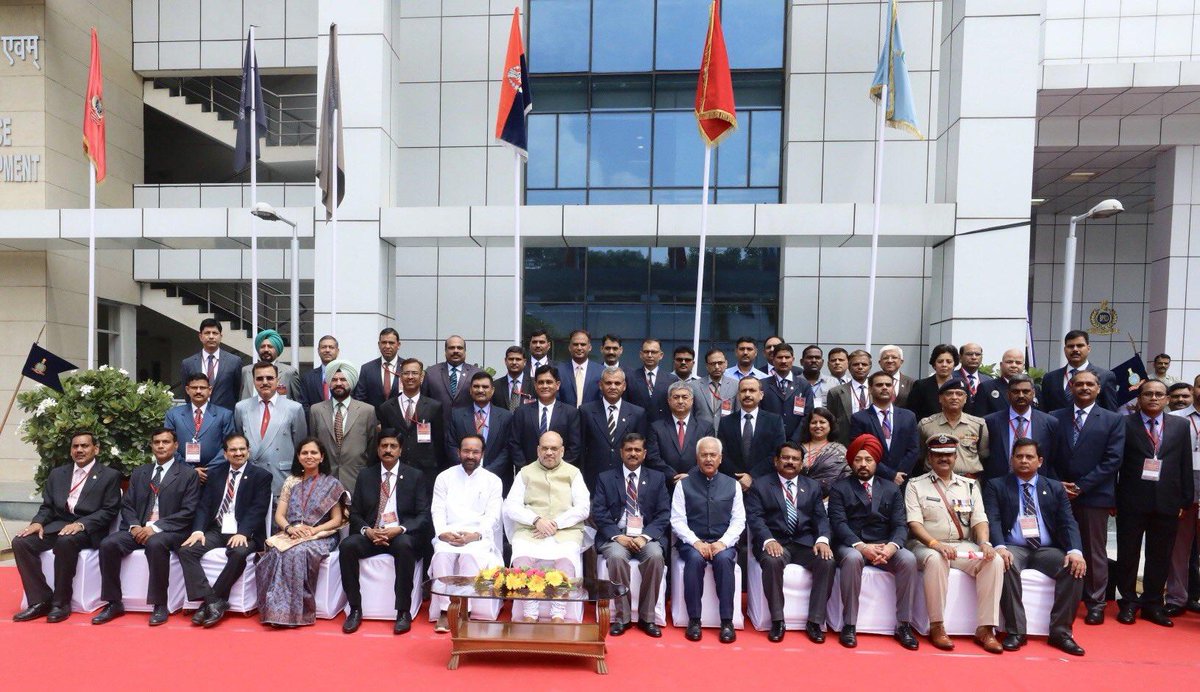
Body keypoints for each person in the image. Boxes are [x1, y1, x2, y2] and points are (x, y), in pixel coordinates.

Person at [983, 438, 1087, 656]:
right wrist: (1000, 546)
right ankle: (1016, 631)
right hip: (1014, 545)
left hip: (1046, 549)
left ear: (1039, 461)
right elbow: (992, 519)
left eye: (1029, 457)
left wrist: (1075, 551)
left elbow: (1068, 522)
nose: (1023, 461)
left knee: (1074, 567)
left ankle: (1060, 633)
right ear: (1011, 460)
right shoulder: (997, 485)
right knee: (1004, 562)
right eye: (1019, 456)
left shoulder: (1054, 488)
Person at [905, 434, 1004, 653]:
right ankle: (937, 625)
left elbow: (980, 519)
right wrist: (934, 543)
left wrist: (985, 543)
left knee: (993, 560)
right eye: (938, 455)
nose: (944, 459)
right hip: (926, 545)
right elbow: (914, 523)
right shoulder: (915, 485)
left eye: (948, 454)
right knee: (936, 559)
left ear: (955, 456)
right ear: (929, 457)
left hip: (961, 544)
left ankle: (986, 628)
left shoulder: (969, 486)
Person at [13, 431, 122, 623]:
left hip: (88, 530)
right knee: (21, 542)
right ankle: (40, 600)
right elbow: (47, 507)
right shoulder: (58, 474)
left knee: (66, 541)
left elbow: (109, 511)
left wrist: (81, 524)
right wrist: (37, 522)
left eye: (85, 446)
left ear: (96, 449)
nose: (79, 450)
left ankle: (61, 603)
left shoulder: (109, 476)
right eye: (75, 446)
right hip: (58, 526)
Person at [93, 429, 200, 626]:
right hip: (138, 529)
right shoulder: (140, 472)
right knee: (108, 544)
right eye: (157, 442)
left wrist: (155, 528)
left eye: (166, 442)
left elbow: (188, 511)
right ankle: (113, 602)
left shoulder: (187, 474)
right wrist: (134, 526)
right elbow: (127, 504)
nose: (161, 446)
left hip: (170, 531)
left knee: (156, 544)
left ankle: (159, 604)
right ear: (151, 446)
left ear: (176, 446)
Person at [826, 434, 920, 650]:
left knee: (908, 559)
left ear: (876, 461)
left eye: (868, 460)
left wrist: (891, 547)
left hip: (884, 544)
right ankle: (849, 624)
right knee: (851, 559)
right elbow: (838, 524)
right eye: (858, 460)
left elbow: (899, 524)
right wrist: (861, 546)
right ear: (851, 462)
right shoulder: (839, 488)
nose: (863, 465)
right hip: (852, 544)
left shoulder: (891, 488)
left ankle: (903, 624)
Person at [1114, 379, 1194, 627]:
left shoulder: (1180, 426)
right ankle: (1127, 602)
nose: (1154, 398)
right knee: (1128, 554)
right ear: (1139, 398)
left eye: (1159, 394)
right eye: (1148, 394)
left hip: (1168, 502)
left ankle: (1152, 604)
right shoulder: (1124, 424)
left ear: (1167, 399)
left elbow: (1184, 464)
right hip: (1131, 501)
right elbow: (1115, 464)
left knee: (1160, 556)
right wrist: (1113, 499)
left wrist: (1186, 499)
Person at [1049, 368, 1125, 624]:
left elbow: (1112, 460)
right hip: (1059, 494)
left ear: (1098, 388)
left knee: (1094, 551)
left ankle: (1095, 602)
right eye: (1078, 384)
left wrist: (1080, 486)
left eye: (1089, 384)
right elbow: (1046, 456)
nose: (1084, 388)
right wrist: (1059, 485)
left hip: (1095, 495)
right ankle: (1066, 598)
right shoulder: (1054, 418)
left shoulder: (1113, 419)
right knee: (1061, 548)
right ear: (1070, 387)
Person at [178, 433, 272, 628]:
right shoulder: (215, 474)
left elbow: (258, 508)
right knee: (187, 550)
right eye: (233, 450)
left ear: (248, 451)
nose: (238, 453)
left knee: (238, 553)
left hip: (245, 532)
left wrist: (244, 532)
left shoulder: (261, 476)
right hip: (217, 529)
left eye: (242, 449)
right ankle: (214, 601)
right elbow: (204, 506)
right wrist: (198, 530)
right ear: (225, 453)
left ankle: (209, 604)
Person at [745, 441, 836, 644]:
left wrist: (822, 540)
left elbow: (821, 518)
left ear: (802, 464)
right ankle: (778, 620)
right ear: (776, 461)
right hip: (776, 542)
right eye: (785, 458)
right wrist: (768, 540)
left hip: (804, 544)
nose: (790, 462)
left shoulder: (811, 486)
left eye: (795, 459)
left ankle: (815, 621)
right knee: (772, 561)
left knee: (827, 561)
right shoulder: (760, 485)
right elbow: (755, 518)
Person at [341, 431, 430, 635]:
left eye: (393, 446)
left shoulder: (415, 475)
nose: (388, 450)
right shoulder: (366, 475)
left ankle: (402, 611)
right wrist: (367, 530)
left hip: (399, 534)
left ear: (400, 450)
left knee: (406, 546)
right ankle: (354, 609)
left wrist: (399, 529)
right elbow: (355, 513)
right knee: (347, 546)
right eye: (384, 446)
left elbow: (423, 515)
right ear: (378, 449)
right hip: (373, 533)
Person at [257, 438, 346, 627]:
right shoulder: (291, 481)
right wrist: (290, 529)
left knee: (297, 552)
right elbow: (280, 515)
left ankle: (295, 613)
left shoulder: (331, 483)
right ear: (298, 457)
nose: (309, 456)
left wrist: (313, 530)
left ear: (322, 457)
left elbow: (336, 520)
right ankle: (274, 610)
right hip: (292, 533)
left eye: (314, 453)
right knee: (273, 552)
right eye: (304, 453)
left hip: (322, 535)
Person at [503, 431, 590, 623]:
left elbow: (583, 508)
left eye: (554, 448)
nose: (549, 452)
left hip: (565, 532)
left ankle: (558, 613)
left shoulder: (573, 473)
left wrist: (556, 523)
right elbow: (511, 506)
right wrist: (536, 520)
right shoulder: (525, 472)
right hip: (530, 531)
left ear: (562, 451)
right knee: (522, 559)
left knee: (566, 560)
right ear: (538, 450)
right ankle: (529, 611)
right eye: (545, 448)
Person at [591, 433, 669, 638]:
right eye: (628, 450)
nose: (633, 454)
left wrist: (645, 537)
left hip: (646, 537)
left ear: (644, 454)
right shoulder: (605, 478)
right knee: (616, 557)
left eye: (637, 450)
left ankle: (647, 618)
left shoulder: (657, 478)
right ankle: (622, 617)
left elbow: (663, 514)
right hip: (616, 536)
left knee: (655, 556)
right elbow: (598, 512)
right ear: (621, 452)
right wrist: (618, 536)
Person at [671, 436, 746, 643]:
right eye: (704, 455)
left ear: (720, 459)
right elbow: (677, 520)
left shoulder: (733, 485)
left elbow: (739, 520)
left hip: (724, 542)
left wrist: (724, 542)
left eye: (713, 455)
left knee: (723, 560)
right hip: (692, 543)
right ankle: (694, 619)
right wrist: (695, 542)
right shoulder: (683, 485)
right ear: (697, 458)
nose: (708, 459)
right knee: (694, 560)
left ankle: (727, 621)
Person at [428, 434, 504, 632]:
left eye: (475, 452)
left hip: (478, 537)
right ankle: (445, 611)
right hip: (448, 534)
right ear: (458, 452)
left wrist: (475, 535)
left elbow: (493, 516)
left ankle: (465, 609)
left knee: (470, 556)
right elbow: (437, 510)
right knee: (442, 555)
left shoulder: (493, 481)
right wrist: (443, 533)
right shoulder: (444, 477)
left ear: (482, 454)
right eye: (466, 451)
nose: (470, 455)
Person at [235, 361, 308, 495]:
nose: (265, 382)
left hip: (282, 479)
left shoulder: (294, 408)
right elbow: (240, 442)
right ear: (253, 381)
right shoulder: (241, 408)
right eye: (259, 378)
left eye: (269, 378)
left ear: (277, 380)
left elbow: (300, 446)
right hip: (251, 479)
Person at [377, 358, 447, 497]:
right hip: (397, 471)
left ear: (421, 377)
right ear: (400, 376)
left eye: (414, 373)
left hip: (426, 472)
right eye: (406, 373)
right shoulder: (386, 408)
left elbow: (439, 442)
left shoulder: (434, 406)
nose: (410, 377)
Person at [308, 360, 378, 493]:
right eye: (334, 379)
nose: (338, 383)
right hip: (324, 480)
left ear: (350, 382)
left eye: (343, 379)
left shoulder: (367, 411)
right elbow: (313, 444)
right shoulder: (316, 410)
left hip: (356, 479)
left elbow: (372, 447)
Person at [579, 366, 648, 489]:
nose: (613, 387)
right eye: (608, 383)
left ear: (624, 386)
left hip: (626, 479)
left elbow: (641, 450)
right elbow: (582, 447)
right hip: (593, 479)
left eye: (617, 383)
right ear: (601, 385)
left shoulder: (637, 413)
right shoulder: (586, 411)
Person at [1165, 375, 1200, 615]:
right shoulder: (1176, 419)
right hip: (1184, 484)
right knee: (1179, 545)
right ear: (1193, 388)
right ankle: (1177, 597)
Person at [982, 374, 1059, 480]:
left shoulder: (1049, 422)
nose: (1021, 395)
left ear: (1033, 393)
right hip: (999, 486)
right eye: (1016, 392)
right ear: (1008, 394)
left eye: (1026, 391)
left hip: (1037, 485)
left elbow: (1053, 458)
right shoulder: (990, 422)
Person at [849, 371, 920, 485]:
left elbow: (914, 449)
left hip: (902, 479)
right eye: (879, 385)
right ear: (870, 389)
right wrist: (890, 475)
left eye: (888, 385)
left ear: (893, 388)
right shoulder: (859, 418)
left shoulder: (908, 416)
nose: (884, 387)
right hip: (872, 478)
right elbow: (859, 450)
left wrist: (898, 474)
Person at [447, 371, 515, 491]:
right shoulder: (456, 415)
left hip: (496, 477)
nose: (480, 390)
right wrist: (467, 468)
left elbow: (508, 449)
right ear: (470, 390)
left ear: (492, 390)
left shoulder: (506, 416)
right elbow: (451, 445)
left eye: (485, 387)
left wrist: (486, 473)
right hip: (463, 477)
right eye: (476, 386)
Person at [717, 376, 787, 490]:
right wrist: (740, 478)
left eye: (752, 390)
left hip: (765, 484)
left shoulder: (774, 421)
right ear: (738, 395)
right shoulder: (726, 422)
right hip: (733, 484)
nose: (747, 394)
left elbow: (777, 453)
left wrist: (752, 476)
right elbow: (722, 454)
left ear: (761, 395)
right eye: (743, 390)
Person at [507, 364, 582, 469]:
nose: (545, 386)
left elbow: (575, 446)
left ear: (558, 385)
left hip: (560, 474)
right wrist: (526, 469)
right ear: (535, 385)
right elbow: (514, 443)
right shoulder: (521, 412)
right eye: (541, 382)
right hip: (529, 474)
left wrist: (558, 469)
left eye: (549, 382)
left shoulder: (570, 413)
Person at [164, 373, 235, 481]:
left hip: (214, 475)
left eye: (202, 388)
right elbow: (168, 445)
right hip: (180, 475)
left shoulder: (224, 414)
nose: (198, 391)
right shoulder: (173, 415)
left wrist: (208, 470)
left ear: (210, 390)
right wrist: (190, 470)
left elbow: (229, 445)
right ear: (187, 390)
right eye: (194, 387)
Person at [917, 379, 989, 478]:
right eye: (949, 394)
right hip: (933, 482)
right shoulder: (926, 425)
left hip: (969, 482)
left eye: (959, 394)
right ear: (940, 398)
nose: (954, 397)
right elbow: (921, 455)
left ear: (965, 398)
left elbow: (984, 455)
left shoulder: (978, 424)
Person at [646, 381, 714, 482]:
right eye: (676, 397)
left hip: (697, 484)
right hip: (665, 484)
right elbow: (653, 458)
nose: (680, 401)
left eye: (685, 397)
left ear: (692, 400)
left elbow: (710, 456)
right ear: (669, 401)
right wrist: (674, 476)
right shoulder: (656, 427)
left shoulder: (705, 427)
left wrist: (690, 476)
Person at [1040, 330, 1119, 412]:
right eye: (1070, 346)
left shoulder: (1105, 376)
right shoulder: (1050, 378)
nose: (1075, 349)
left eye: (1080, 346)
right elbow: (1044, 412)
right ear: (1064, 349)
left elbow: (1111, 413)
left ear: (1088, 349)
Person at [179, 318, 242, 411]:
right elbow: (187, 394)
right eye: (207, 333)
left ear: (221, 336)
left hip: (225, 417)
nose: (211, 336)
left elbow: (237, 391)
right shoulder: (188, 363)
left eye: (215, 333)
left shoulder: (234, 361)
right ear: (200, 336)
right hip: (198, 416)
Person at [758, 343, 815, 440]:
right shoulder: (762, 385)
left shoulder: (803, 385)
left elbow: (807, 415)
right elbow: (759, 413)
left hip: (797, 442)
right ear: (773, 360)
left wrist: (795, 440)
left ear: (793, 360)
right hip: (769, 440)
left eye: (787, 357)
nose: (783, 361)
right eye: (780, 357)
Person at [422, 335, 481, 423]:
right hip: (439, 427)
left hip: (467, 427)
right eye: (451, 348)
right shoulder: (431, 373)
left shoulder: (476, 373)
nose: (455, 351)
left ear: (465, 351)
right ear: (445, 351)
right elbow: (424, 402)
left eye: (459, 348)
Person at [796, 407, 850, 497]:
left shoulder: (839, 451)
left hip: (831, 501)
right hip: (798, 500)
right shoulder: (797, 449)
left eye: (822, 422)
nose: (818, 426)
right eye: (813, 422)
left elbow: (846, 478)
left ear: (830, 425)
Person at [971, 348, 1039, 417]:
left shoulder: (1034, 388)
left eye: (1018, 363)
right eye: (1009, 362)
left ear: (1023, 367)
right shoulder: (986, 387)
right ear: (1001, 365)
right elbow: (979, 418)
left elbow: (1040, 416)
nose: (1014, 365)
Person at [624, 338, 678, 423]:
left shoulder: (671, 379)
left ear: (661, 355)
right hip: (636, 426)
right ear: (641, 355)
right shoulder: (630, 377)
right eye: (646, 352)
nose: (649, 355)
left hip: (662, 427)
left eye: (653, 352)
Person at [239, 329, 300, 400]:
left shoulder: (289, 372)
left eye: (270, 346)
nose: (266, 350)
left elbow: (298, 402)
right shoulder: (246, 371)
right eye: (262, 346)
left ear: (277, 349)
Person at [826, 349, 873, 443]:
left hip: (873, 441)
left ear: (870, 367)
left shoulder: (877, 390)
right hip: (845, 443)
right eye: (855, 364)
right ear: (849, 367)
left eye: (864, 364)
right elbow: (831, 422)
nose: (860, 367)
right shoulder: (836, 392)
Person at [906, 344, 960, 422]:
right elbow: (912, 414)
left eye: (949, 362)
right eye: (940, 361)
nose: (944, 365)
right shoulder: (921, 386)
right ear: (934, 364)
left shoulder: (961, 385)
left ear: (954, 364)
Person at [353, 328, 403, 408]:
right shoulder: (367, 369)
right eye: (384, 342)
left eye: (391, 343)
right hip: (373, 418)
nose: (387, 346)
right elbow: (360, 399)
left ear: (398, 345)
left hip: (399, 419)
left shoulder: (406, 368)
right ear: (379, 345)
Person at [691, 348, 738, 430]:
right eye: (713, 363)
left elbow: (738, 413)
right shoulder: (694, 386)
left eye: (720, 363)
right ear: (707, 366)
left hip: (727, 434)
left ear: (726, 364)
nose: (717, 367)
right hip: (701, 434)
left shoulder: (736, 385)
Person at [557, 329, 604, 407]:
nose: (579, 348)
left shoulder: (601, 371)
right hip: (566, 417)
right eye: (575, 344)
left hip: (591, 417)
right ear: (569, 347)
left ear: (589, 347)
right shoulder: (559, 370)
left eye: (583, 344)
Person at [295, 334, 340, 416]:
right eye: (324, 347)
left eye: (331, 347)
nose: (327, 350)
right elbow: (304, 405)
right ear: (318, 351)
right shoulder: (307, 377)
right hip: (315, 426)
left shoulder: (346, 376)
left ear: (337, 351)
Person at [493, 345, 533, 411]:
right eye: (511, 359)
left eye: (518, 359)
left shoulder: (534, 384)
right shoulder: (495, 385)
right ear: (505, 361)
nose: (514, 362)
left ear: (525, 362)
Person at [955, 342, 991, 411]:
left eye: (977, 354)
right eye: (969, 354)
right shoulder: (951, 378)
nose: (974, 357)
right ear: (960, 357)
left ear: (981, 358)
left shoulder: (988, 380)